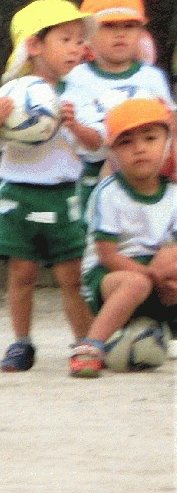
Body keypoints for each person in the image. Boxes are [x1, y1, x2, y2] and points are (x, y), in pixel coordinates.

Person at [0, 0, 98, 371]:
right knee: (22, 273)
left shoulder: (79, 91)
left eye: (80, 40)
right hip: (17, 192)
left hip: (64, 194)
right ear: (35, 45)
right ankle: (21, 343)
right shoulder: (12, 95)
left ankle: (84, 344)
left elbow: (97, 145)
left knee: (71, 275)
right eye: (66, 39)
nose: (77, 47)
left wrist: (75, 126)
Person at [71, 97, 177, 377]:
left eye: (150, 138)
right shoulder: (109, 193)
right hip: (109, 276)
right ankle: (90, 345)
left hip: (153, 270)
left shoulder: (173, 194)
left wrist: (168, 274)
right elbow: (108, 254)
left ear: (168, 146)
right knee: (136, 283)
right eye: (126, 142)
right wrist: (154, 277)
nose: (140, 149)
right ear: (113, 154)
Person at [62, 0, 175, 200]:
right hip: (95, 175)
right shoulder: (79, 77)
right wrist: (76, 127)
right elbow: (85, 140)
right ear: (87, 34)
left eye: (130, 26)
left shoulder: (151, 76)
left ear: (141, 32)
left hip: (150, 175)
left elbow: (169, 125)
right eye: (109, 26)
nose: (120, 34)